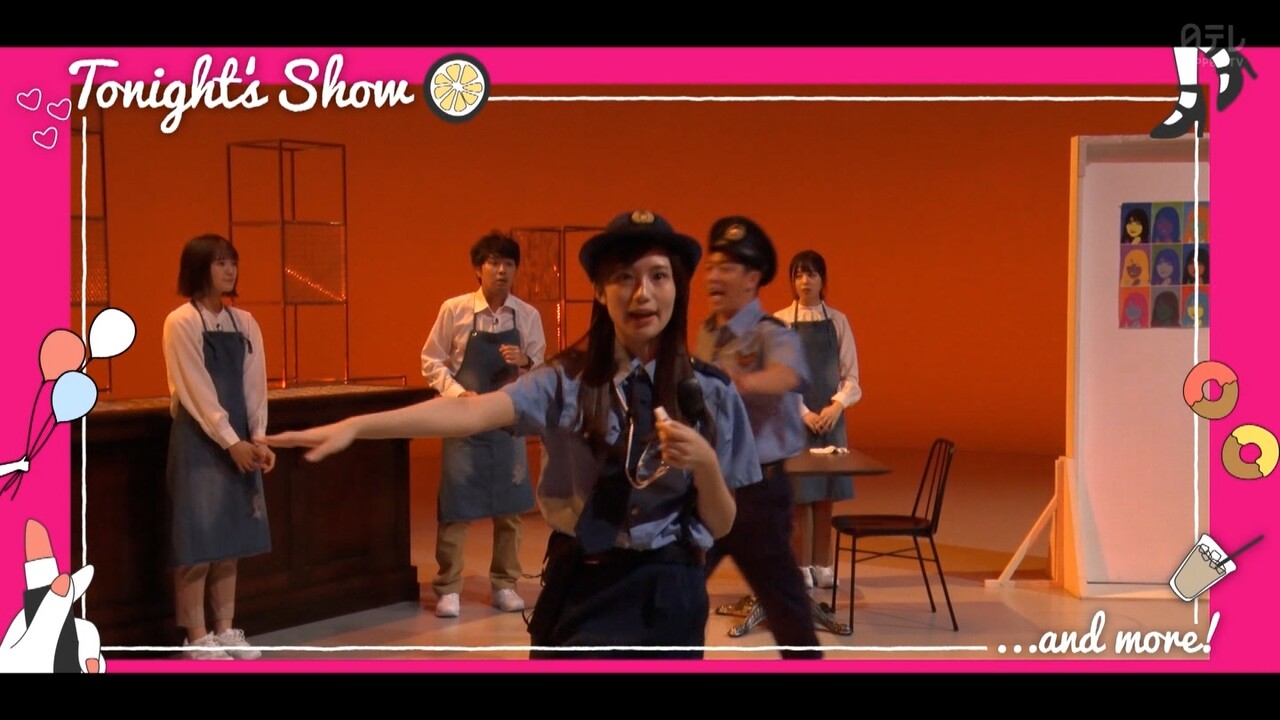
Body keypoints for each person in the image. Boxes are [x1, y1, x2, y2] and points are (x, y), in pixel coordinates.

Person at [266, 210, 761, 659]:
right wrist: (359, 426)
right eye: (623, 277)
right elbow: (472, 412)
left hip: (668, 592)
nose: (642, 294)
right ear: (598, 290)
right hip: (583, 584)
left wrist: (705, 463)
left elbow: (722, 523)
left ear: (678, 287)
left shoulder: (709, 393)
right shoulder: (565, 381)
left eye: (658, 276)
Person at [695, 216, 823, 659]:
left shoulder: (772, 333)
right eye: (710, 267)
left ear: (752, 279)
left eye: (726, 268)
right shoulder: (707, 333)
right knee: (678, 590)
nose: (713, 277)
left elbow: (789, 375)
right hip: (710, 490)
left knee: (785, 606)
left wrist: (742, 382)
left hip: (759, 495)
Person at [419, 231, 546, 618]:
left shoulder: (527, 316)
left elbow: (542, 370)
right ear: (478, 269)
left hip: (507, 420)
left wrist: (524, 361)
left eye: (509, 264)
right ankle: (449, 587)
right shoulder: (455, 309)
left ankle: (505, 583)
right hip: (464, 420)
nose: (502, 270)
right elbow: (431, 360)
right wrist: (459, 395)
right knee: (456, 505)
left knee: (511, 509)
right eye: (494, 263)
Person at [161, 234, 274, 661]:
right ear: (198, 269)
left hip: (240, 440)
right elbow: (196, 390)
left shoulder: (244, 322)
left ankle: (225, 629)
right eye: (220, 263)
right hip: (200, 443)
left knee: (230, 542)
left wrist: (257, 438)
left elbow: (254, 386)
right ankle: (196, 635)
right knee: (198, 542)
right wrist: (230, 441)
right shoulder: (181, 322)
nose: (230, 270)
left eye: (233, 262)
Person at [773, 250, 862, 590]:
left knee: (826, 495)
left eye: (811, 274)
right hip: (797, 423)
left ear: (823, 279)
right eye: (798, 275)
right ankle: (800, 565)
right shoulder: (781, 321)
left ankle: (823, 564)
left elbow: (851, 377)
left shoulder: (838, 321)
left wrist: (835, 407)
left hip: (831, 422)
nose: (805, 281)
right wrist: (804, 413)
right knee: (800, 496)